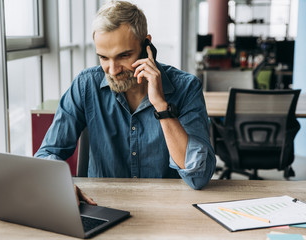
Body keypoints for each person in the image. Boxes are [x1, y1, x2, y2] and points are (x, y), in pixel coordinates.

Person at [35, 0, 216, 204]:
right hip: (103, 206)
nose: (113, 70)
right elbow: (48, 152)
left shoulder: (186, 88)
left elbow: (199, 176)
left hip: (168, 211)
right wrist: (60, 184)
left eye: (124, 56)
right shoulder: (86, 85)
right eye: (103, 57)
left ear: (146, 45)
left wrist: (161, 108)